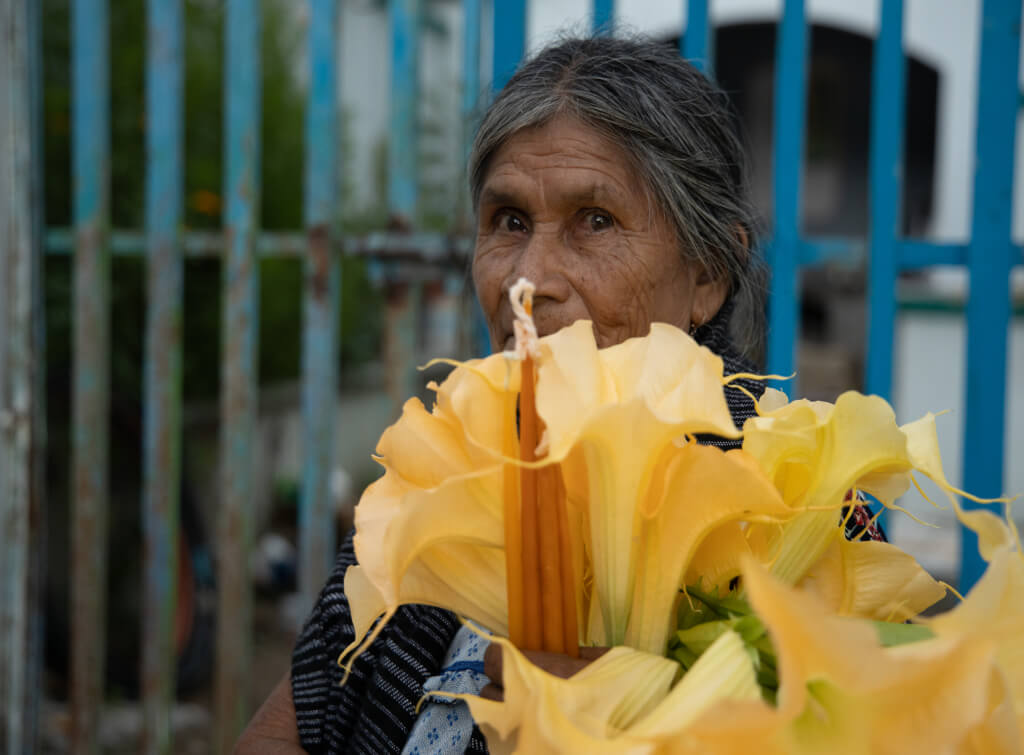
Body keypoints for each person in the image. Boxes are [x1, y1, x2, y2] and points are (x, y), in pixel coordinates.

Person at [235, 34, 881, 754]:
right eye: (509, 221)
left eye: (595, 221)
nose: (529, 279)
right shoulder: (441, 475)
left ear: (707, 275)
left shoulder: (808, 503)